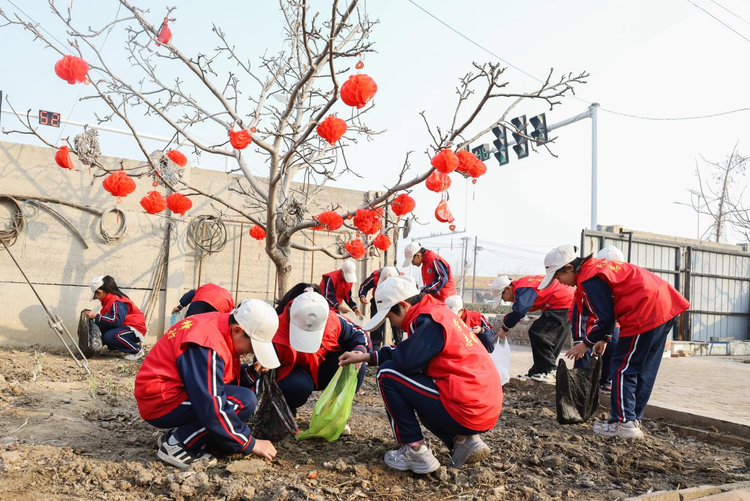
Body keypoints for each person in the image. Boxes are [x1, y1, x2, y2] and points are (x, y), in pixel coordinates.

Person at [339, 276, 502, 474]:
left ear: (403, 305)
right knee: (421, 397)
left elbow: (405, 362)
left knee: (387, 374)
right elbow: (407, 351)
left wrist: (375, 360)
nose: (394, 325)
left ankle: (414, 450)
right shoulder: (437, 313)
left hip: (467, 408)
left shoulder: (425, 320)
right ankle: (464, 441)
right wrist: (365, 357)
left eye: (391, 318)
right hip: (485, 405)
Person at [541, 244, 690, 439]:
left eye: (558, 277)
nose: (561, 283)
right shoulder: (598, 269)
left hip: (643, 310)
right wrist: (604, 338)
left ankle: (623, 423)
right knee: (644, 368)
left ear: (569, 268)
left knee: (622, 369)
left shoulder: (588, 278)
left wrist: (585, 343)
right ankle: (633, 419)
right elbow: (609, 310)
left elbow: (606, 319)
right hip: (665, 304)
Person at [134, 299, 280, 468]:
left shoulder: (220, 325)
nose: (251, 352)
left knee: (239, 400)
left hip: (169, 392)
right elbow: (210, 403)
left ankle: (181, 435)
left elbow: (215, 378)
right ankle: (176, 444)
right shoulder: (206, 344)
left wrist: (250, 373)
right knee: (243, 401)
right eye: (253, 345)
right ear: (237, 330)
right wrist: (249, 443)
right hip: (160, 401)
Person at [244, 283, 369, 421]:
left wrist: (359, 350)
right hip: (295, 372)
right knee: (297, 386)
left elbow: (359, 334)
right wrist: (251, 409)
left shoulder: (333, 320)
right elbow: (259, 370)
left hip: (323, 367)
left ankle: (333, 412)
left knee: (357, 362)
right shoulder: (275, 328)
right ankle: (286, 408)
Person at [496, 274, 575, 381]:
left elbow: (520, 310)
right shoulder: (524, 284)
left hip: (562, 302)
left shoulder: (522, 287)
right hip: (566, 301)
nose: (506, 301)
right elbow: (522, 308)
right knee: (548, 339)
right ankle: (538, 371)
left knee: (537, 332)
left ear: (507, 289)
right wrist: (517, 314)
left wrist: (504, 328)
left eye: (502, 298)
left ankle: (549, 369)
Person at [573, 245, 625, 395]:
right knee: (582, 350)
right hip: (590, 324)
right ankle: (580, 384)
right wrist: (579, 340)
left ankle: (605, 381)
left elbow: (612, 313)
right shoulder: (589, 283)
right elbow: (578, 314)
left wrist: (606, 337)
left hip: (609, 323)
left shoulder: (617, 283)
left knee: (613, 344)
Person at [84, 275, 147, 361]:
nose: (97, 299)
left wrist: (97, 316)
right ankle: (114, 349)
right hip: (124, 327)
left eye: (96, 295)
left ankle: (136, 350)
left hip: (134, 329)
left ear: (100, 292)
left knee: (110, 337)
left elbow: (116, 321)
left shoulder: (116, 301)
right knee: (100, 326)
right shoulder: (109, 301)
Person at [359, 266, 402, 349]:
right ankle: (375, 348)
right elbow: (364, 286)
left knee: (397, 327)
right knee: (376, 328)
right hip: (378, 302)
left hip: (394, 302)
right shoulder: (375, 276)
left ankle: (399, 347)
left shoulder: (401, 277)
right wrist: (362, 296)